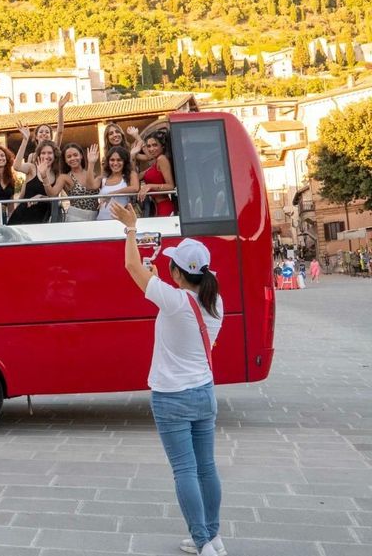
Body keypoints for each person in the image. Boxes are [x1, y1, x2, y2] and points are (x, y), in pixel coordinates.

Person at [110, 201, 225, 556]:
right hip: (204, 392)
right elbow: (175, 294)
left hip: (172, 397)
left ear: (176, 273)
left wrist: (131, 228)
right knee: (206, 468)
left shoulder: (173, 301)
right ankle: (213, 537)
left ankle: (202, 541)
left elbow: (131, 266)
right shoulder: (216, 302)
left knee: (185, 470)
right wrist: (160, 280)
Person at [41, 143, 101, 222]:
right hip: (75, 217)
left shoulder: (92, 174)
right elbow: (52, 194)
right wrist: (44, 176)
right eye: (69, 157)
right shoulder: (64, 177)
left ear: (81, 156)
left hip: (95, 217)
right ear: (65, 160)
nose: (73, 158)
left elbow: (97, 188)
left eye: (75, 155)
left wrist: (91, 163)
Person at [9, 140, 59, 225]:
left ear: (55, 155)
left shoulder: (56, 173)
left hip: (43, 218)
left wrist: (41, 197)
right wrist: (25, 140)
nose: (46, 156)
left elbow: (54, 198)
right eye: (43, 153)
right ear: (39, 155)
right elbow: (16, 166)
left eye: (50, 153)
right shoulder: (32, 168)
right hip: (23, 216)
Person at [97, 146, 140, 221]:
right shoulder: (105, 177)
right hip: (101, 219)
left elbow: (135, 188)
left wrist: (112, 194)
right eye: (112, 160)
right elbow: (90, 186)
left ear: (125, 161)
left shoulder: (131, 174)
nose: (115, 163)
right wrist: (91, 163)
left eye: (119, 160)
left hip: (121, 221)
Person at [139, 130, 176, 217]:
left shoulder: (162, 159)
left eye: (155, 145)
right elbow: (138, 177)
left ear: (162, 146)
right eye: (149, 146)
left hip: (165, 206)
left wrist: (150, 186)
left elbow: (170, 186)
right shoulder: (155, 162)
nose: (151, 149)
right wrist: (133, 154)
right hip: (156, 207)